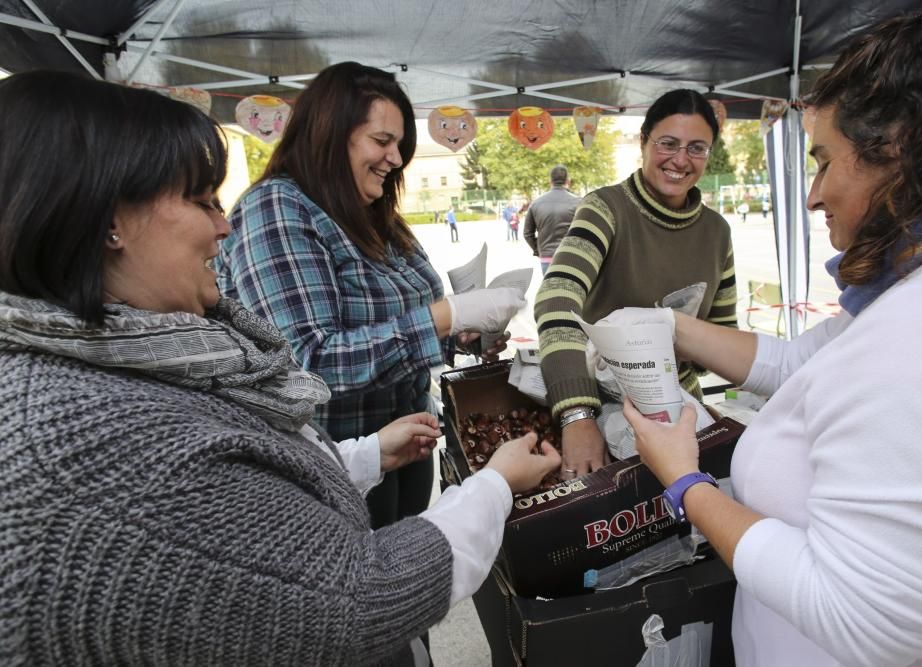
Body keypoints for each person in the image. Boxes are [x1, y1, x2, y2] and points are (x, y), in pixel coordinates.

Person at [0, 69, 561, 666]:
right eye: (200, 200)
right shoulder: (101, 425)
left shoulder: (136, 360)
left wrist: (371, 448)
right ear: (106, 218)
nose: (223, 225)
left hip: (378, 444)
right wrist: (493, 483)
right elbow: (362, 596)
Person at [624, 4, 922, 665]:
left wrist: (686, 482)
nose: (813, 194)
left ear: (901, 150)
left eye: (825, 161)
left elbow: (866, 620)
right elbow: (804, 360)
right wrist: (673, 326)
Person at [215, 62, 525, 530]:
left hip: (406, 445)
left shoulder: (377, 216)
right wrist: (443, 317)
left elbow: (396, 334)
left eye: (400, 145)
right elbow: (307, 362)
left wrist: (462, 337)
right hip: (329, 466)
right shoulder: (277, 209)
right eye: (382, 142)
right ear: (328, 135)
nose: (396, 159)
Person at [534, 88, 737, 479]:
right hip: (605, 417)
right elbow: (557, 298)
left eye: (697, 148)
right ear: (643, 141)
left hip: (682, 417)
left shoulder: (717, 232)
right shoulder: (605, 209)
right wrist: (577, 416)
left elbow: (724, 336)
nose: (680, 160)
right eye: (668, 143)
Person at [523, 165, 581, 275]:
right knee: (571, 291)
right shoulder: (578, 202)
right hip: (571, 256)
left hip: (547, 258)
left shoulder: (536, 203)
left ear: (550, 181)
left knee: (550, 291)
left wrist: (539, 250)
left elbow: (527, 234)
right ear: (568, 181)